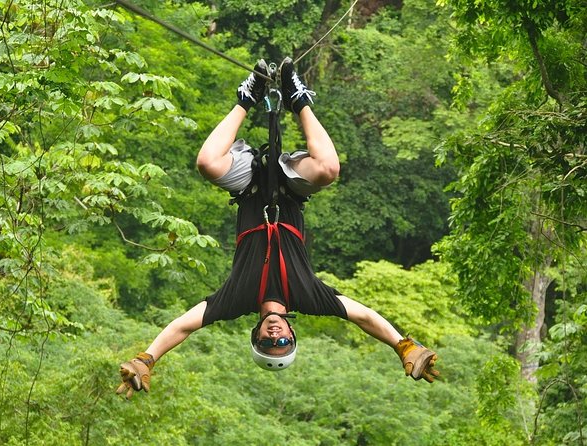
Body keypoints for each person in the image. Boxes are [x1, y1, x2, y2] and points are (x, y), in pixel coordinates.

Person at [116, 58, 439, 398]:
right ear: (292, 333)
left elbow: (183, 326)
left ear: (255, 333)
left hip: (249, 188)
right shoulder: (309, 297)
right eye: (282, 342)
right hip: (291, 187)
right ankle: (298, 99)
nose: (275, 335)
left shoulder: (236, 300)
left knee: (207, 163)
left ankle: (247, 96)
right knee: (328, 169)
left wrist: (148, 358)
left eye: (267, 342)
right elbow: (364, 317)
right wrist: (403, 346)